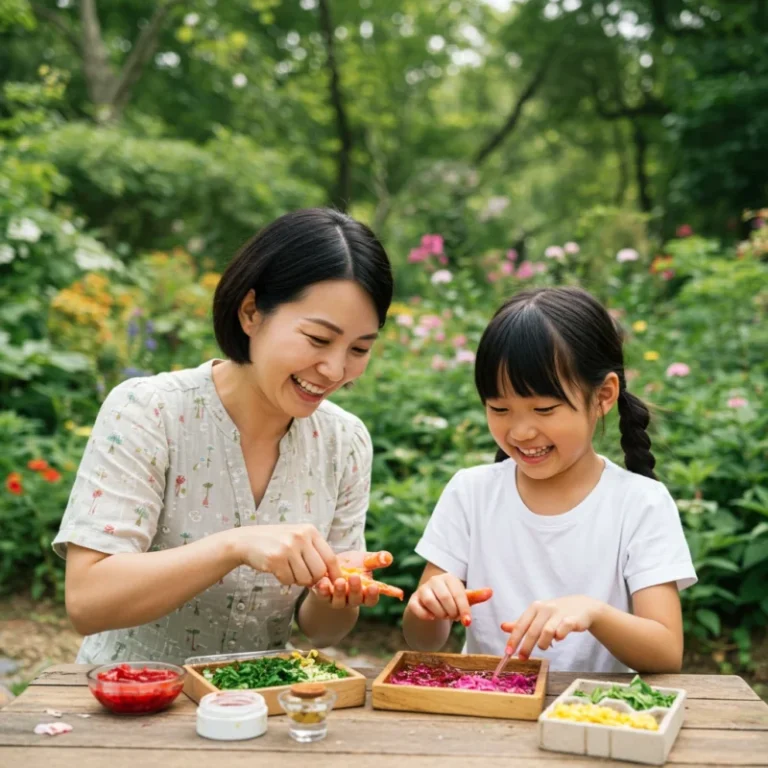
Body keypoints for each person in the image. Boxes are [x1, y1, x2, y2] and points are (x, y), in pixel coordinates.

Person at [53, 208, 394, 664]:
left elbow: (322, 630)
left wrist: (335, 595)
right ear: (251, 312)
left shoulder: (345, 442)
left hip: (261, 698)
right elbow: (87, 602)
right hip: (130, 695)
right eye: (317, 339)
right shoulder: (148, 410)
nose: (335, 369)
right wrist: (233, 546)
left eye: (359, 348)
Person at [403, 286, 696, 673]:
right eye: (500, 409)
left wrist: (594, 612)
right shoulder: (470, 493)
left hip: (594, 708)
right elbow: (423, 640)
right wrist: (427, 607)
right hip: (490, 702)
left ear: (603, 396)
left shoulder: (641, 503)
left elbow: (666, 652)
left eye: (544, 409)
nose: (521, 432)